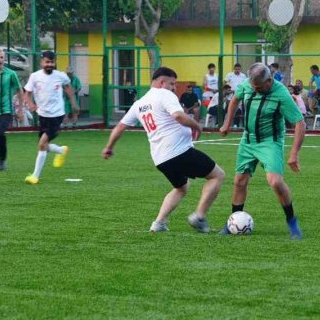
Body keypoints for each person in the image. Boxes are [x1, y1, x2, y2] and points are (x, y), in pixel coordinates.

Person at [102, 66, 225, 233]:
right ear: (161, 82)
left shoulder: (139, 103)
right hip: (179, 151)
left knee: (181, 187)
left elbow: (120, 127)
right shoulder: (165, 94)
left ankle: (159, 223)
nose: (174, 88)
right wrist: (197, 126)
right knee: (217, 175)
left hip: (161, 159)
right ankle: (200, 216)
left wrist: (109, 147)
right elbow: (178, 116)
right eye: (172, 84)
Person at [218, 63, 307, 239]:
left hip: (270, 142)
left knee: (275, 182)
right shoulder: (247, 85)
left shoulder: (281, 94)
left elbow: (299, 122)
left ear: (269, 80)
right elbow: (235, 99)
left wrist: (294, 154)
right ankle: (233, 221)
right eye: (253, 87)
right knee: (239, 181)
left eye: (258, 87)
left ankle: (292, 221)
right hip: (248, 140)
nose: (255, 90)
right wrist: (227, 123)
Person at [22, 51, 78, 185]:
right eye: (47, 62)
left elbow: (68, 88)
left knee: (41, 145)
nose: (49, 64)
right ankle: (61, 150)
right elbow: (27, 93)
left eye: (52, 62)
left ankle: (35, 176)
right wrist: (30, 104)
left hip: (57, 115)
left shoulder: (61, 76)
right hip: (42, 115)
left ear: (55, 63)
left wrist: (74, 103)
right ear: (41, 63)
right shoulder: (34, 77)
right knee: (44, 145)